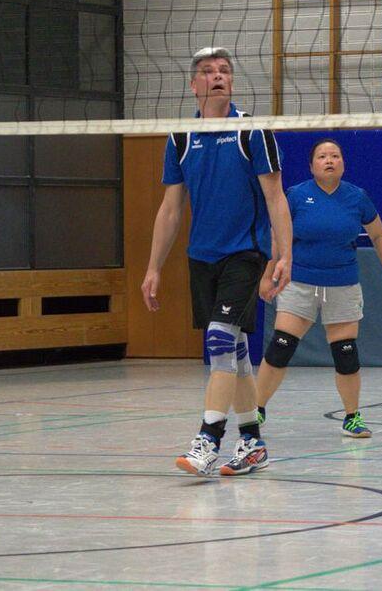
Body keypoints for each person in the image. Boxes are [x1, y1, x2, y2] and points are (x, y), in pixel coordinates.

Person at [141, 47, 294, 478]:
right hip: (201, 257)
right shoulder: (181, 137)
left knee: (219, 341)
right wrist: (153, 267)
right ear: (194, 86)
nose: (217, 76)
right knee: (237, 353)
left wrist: (285, 256)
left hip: (245, 254)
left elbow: (276, 197)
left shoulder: (252, 133)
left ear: (232, 83)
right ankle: (252, 443)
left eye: (225, 71)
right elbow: (171, 209)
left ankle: (209, 437)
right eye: (208, 72)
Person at [255, 140, 382, 439]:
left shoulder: (357, 197)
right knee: (281, 346)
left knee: (346, 353)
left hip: (342, 283)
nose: (329, 160)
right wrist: (267, 275)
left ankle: (352, 417)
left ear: (343, 163)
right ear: (311, 166)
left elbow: (377, 235)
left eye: (335, 155)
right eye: (322, 156)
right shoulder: (296, 196)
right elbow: (276, 238)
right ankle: (256, 409)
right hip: (300, 281)